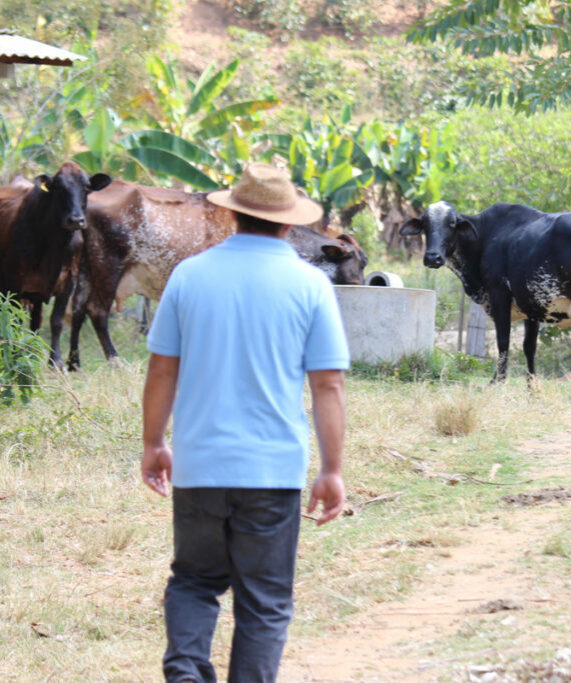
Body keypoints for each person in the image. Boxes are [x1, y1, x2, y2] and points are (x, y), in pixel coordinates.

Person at [140, 162, 349, 683]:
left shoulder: (190, 275)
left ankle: (186, 674)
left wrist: (153, 442)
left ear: (232, 215)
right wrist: (332, 470)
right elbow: (328, 386)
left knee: (193, 582)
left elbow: (163, 368)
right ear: (288, 223)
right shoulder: (309, 285)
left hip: (199, 464)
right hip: (272, 472)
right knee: (265, 602)